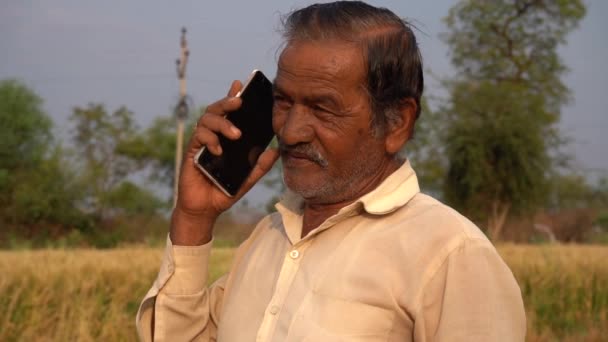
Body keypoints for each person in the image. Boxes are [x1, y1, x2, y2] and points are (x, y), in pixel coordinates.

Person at [136, 1, 526, 341]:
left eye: (323, 108)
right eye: (283, 102)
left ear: (397, 124)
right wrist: (193, 219)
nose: (289, 131)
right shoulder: (266, 240)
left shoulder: (450, 255)